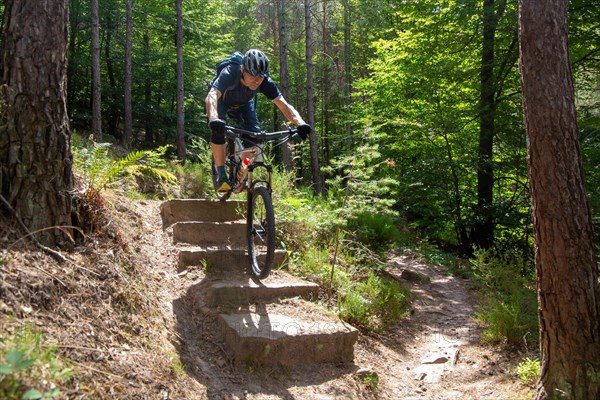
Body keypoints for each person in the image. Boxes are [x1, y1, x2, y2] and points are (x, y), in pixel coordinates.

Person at [205, 49, 312, 193]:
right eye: (253, 76)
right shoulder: (230, 73)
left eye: (260, 78)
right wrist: (213, 118)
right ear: (243, 69)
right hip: (222, 101)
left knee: (255, 140)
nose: (256, 81)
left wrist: (300, 123)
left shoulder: (265, 81)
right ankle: (221, 174)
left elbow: (284, 105)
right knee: (217, 130)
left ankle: (241, 171)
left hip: (243, 105)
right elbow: (212, 95)